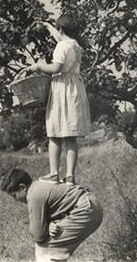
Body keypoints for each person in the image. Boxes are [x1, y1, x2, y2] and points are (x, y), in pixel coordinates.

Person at [27, 14, 91, 185]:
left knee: (54, 134)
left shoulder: (61, 46)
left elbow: (56, 68)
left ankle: (54, 173)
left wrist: (38, 66)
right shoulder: (76, 45)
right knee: (70, 136)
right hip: (74, 89)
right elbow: (61, 37)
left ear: (62, 28)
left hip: (62, 89)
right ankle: (70, 176)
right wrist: (48, 26)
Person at [1, 168, 103, 262]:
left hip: (85, 210)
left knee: (45, 249)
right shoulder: (39, 184)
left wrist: (46, 225)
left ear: (22, 187)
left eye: (14, 196)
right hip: (90, 205)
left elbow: (39, 235)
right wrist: (50, 224)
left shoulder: (34, 195)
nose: (15, 200)